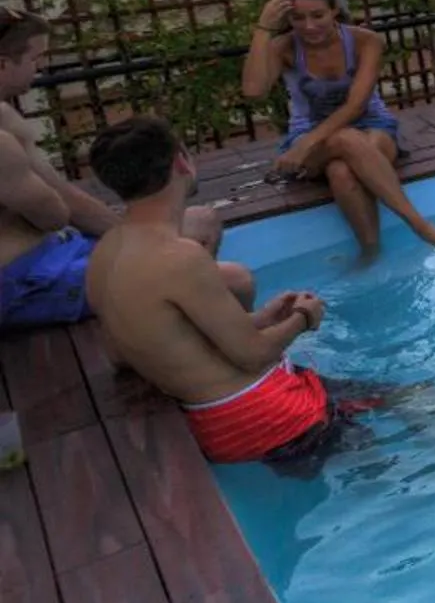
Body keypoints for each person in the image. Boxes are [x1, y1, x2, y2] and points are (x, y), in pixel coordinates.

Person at [85, 117, 414, 467]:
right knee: (392, 452)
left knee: (403, 400)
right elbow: (253, 356)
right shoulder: (178, 257)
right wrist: (304, 318)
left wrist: (264, 317)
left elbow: (153, 343)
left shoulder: (105, 252)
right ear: (181, 161)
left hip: (224, 416)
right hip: (264, 415)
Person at [0, 9, 242, 330]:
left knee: (202, 221)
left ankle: (185, 325)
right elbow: (55, 213)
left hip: (56, 251)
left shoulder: (6, 118)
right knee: (234, 281)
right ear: (3, 63)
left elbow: (63, 201)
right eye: (35, 58)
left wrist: (139, 237)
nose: (41, 67)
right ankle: (187, 348)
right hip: (25, 283)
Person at [238, 0, 435, 252]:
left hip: (371, 127)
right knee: (347, 142)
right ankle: (419, 226)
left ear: (334, 11)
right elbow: (254, 91)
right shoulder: (284, 47)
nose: (309, 26)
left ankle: (371, 252)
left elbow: (356, 106)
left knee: (342, 169)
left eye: (318, 15)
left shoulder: (365, 41)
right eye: (297, 18)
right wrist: (263, 29)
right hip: (309, 135)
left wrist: (306, 145)